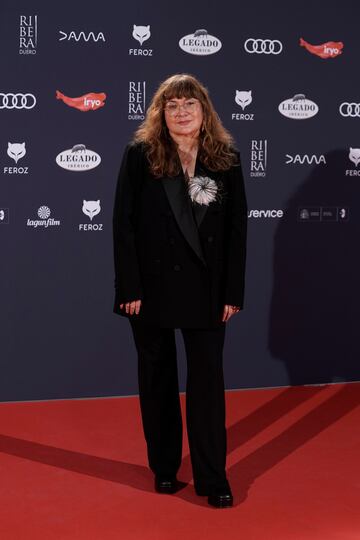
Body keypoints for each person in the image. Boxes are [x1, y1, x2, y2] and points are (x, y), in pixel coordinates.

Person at [112, 73, 247, 508]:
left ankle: (212, 476)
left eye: (190, 104)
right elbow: (123, 225)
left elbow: (236, 231)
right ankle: (165, 467)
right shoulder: (140, 155)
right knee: (158, 380)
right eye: (172, 105)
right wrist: (128, 286)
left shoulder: (225, 158)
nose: (182, 111)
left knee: (207, 384)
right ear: (160, 113)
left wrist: (232, 292)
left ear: (204, 111)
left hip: (207, 290)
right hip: (150, 289)